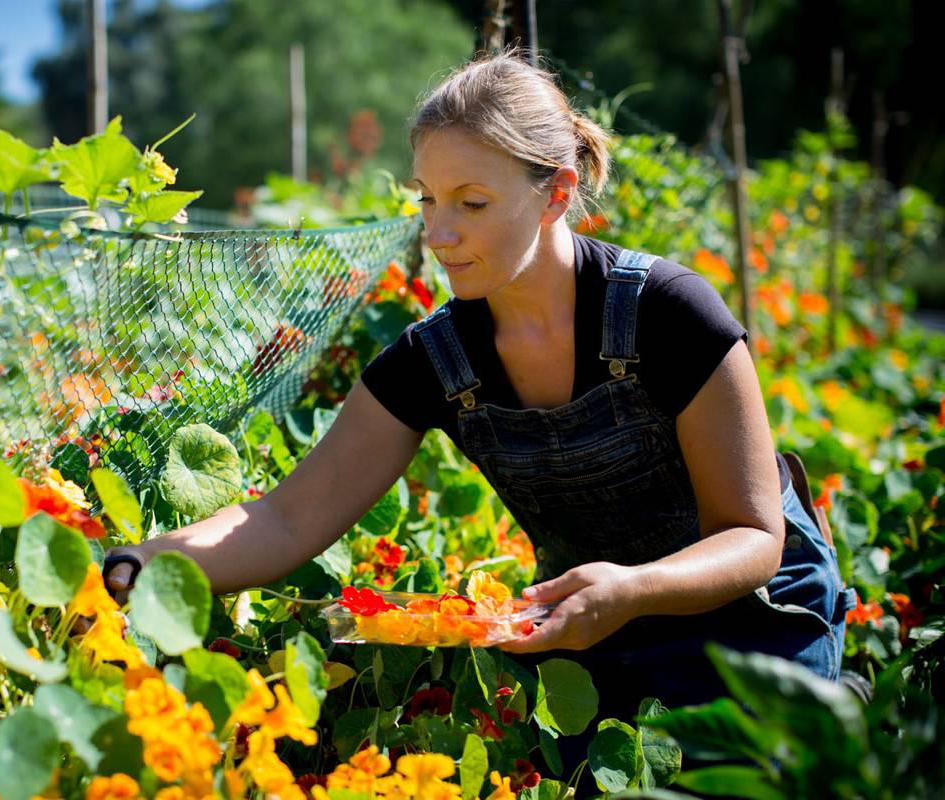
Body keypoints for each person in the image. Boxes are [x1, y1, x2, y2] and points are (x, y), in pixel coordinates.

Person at [104, 51, 854, 720]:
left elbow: (754, 536)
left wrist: (629, 589)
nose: (437, 234)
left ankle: (839, 701)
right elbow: (287, 521)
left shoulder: (668, 312)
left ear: (557, 193)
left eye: (472, 203)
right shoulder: (437, 358)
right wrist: (136, 563)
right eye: (428, 199)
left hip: (754, 629)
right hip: (587, 636)